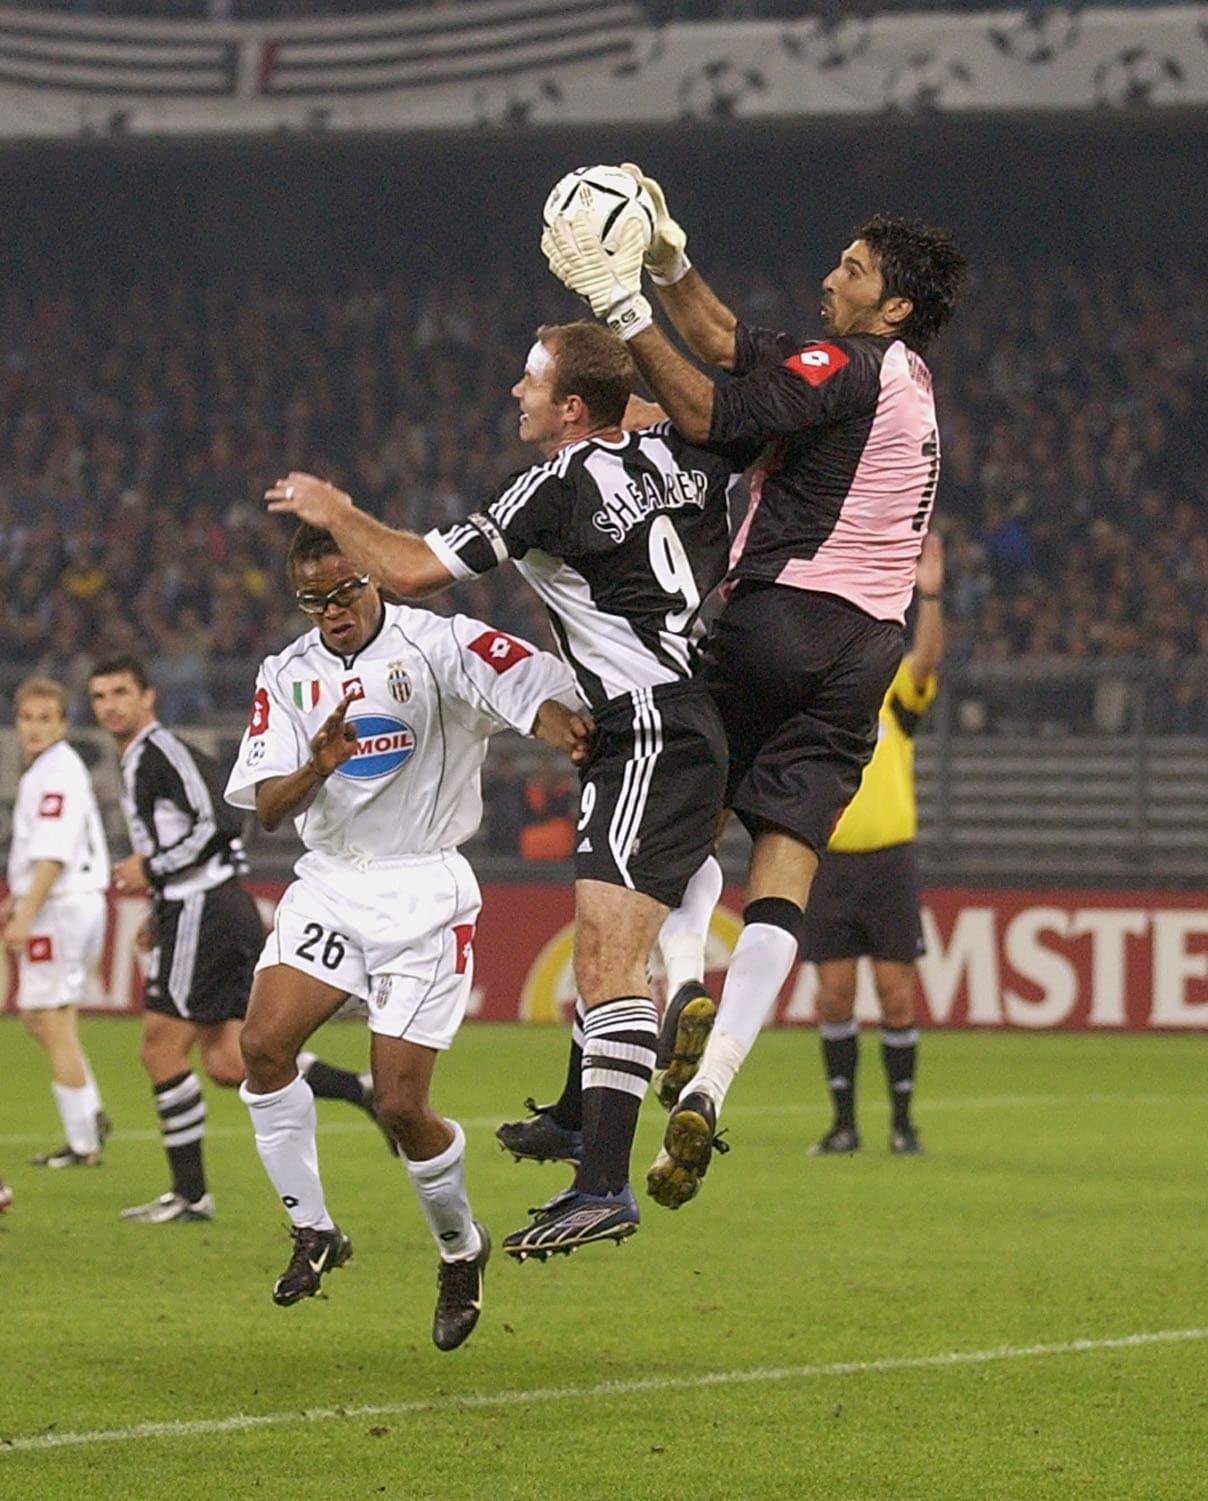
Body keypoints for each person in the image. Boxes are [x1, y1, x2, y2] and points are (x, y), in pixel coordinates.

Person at [263, 320, 745, 1259]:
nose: (512, 395)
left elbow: (406, 570)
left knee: (607, 960)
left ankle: (603, 1182)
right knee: (625, 924)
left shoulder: (554, 485)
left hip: (647, 721)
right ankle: (578, 1110)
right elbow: (642, 396)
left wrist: (336, 505)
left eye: (529, 383)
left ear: (570, 408)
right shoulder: (674, 446)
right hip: (697, 709)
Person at [544, 167, 966, 1208]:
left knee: (685, 807)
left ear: (893, 306)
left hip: (779, 615)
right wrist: (672, 258)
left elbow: (711, 409)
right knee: (782, 866)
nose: (830, 278)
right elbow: (732, 341)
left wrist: (620, 303)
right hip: (865, 649)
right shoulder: (904, 386)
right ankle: (712, 1088)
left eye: (852, 270)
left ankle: (681, 980)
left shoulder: (850, 365)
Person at [225, 522, 587, 1349]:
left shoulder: (440, 645)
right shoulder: (286, 674)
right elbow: (270, 810)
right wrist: (317, 764)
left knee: (399, 1104)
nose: (333, 611)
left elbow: (533, 683)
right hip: (330, 881)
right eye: (314, 600)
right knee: (262, 1046)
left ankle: (461, 1248)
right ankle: (314, 1229)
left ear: (377, 576)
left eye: (346, 591)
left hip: (423, 889)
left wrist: (557, 723)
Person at [88, 653, 379, 1225]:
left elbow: (223, 818)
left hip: (204, 906)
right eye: (99, 697)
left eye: (121, 691)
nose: (110, 706)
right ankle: (362, 1089)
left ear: (148, 697)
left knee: (159, 1047)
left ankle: (191, 1195)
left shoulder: (158, 750)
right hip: (200, 905)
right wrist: (159, 899)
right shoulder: (137, 759)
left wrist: (157, 872)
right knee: (226, 1059)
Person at [802, 530, 944, 1158]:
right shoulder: (816, 704)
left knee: (896, 993)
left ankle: (903, 1124)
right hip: (829, 864)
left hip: (887, 862)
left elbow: (926, 660)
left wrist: (930, 597)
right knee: (834, 994)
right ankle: (843, 1124)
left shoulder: (893, 701)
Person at [3, 677, 110, 1168]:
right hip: (65, 903)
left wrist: (25, 915)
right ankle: (89, 1114)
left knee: (49, 1017)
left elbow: (53, 854)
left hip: (62, 905)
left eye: (47, 719)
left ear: (63, 725)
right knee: (44, 1015)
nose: (36, 728)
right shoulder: (49, 771)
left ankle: (84, 1139)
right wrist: (20, 902)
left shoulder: (55, 773)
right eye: (28, 718)